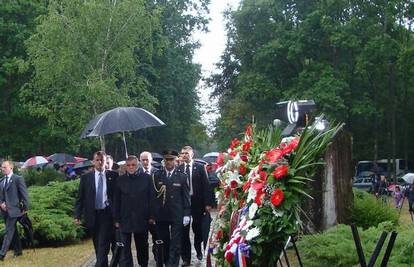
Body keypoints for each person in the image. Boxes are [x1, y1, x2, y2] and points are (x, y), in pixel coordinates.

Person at [74, 151, 118, 267]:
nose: (100, 162)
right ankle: (102, 263)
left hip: (107, 214)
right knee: (97, 244)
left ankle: (99, 264)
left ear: (105, 161)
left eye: (102, 160)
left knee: (103, 243)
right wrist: (77, 215)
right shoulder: (86, 178)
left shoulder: (113, 176)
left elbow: (117, 197)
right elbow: (80, 198)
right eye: (97, 160)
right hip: (92, 215)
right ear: (93, 162)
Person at [113, 155, 155, 267]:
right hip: (124, 218)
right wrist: (116, 218)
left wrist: (152, 216)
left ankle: (143, 264)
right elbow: (116, 201)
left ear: (138, 165)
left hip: (142, 218)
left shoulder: (146, 178)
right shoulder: (120, 180)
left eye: (133, 165)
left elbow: (152, 198)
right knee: (125, 248)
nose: (131, 167)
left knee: (142, 246)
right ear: (125, 166)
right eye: (128, 165)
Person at [152, 150, 191, 267]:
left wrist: (186, 214)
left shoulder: (182, 177)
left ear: (175, 161)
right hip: (161, 214)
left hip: (176, 214)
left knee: (176, 242)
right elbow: (153, 197)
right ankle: (166, 260)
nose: (168, 162)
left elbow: (186, 197)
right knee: (164, 240)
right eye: (166, 159)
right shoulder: (157, 175)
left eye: (171, 159)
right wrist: (153, 214)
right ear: (164, 160)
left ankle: (172, 264)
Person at [179, 146, 212, 265]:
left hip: (197, 202)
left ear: (192, 154)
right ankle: (186, 257)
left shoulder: (199, 167)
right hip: (183, 204)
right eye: (182, 153)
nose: (184, 155)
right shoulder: (179, 169)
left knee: (197, 228)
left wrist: (208, 203)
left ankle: (198, 248)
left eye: (187, 153)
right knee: (183, 230)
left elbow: (206, 186)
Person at [0, 160, 29, 261]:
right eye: (2, 167)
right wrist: (1, 203)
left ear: (11, 167)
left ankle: (1, 254)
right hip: (4, 212)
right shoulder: (1, 181)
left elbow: (24, 194)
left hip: (15, 211)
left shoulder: (18, 179)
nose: (2, 169)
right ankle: (18, 251)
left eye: (4, 167)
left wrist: (25, 208)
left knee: (8, 231)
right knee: (13, 231)